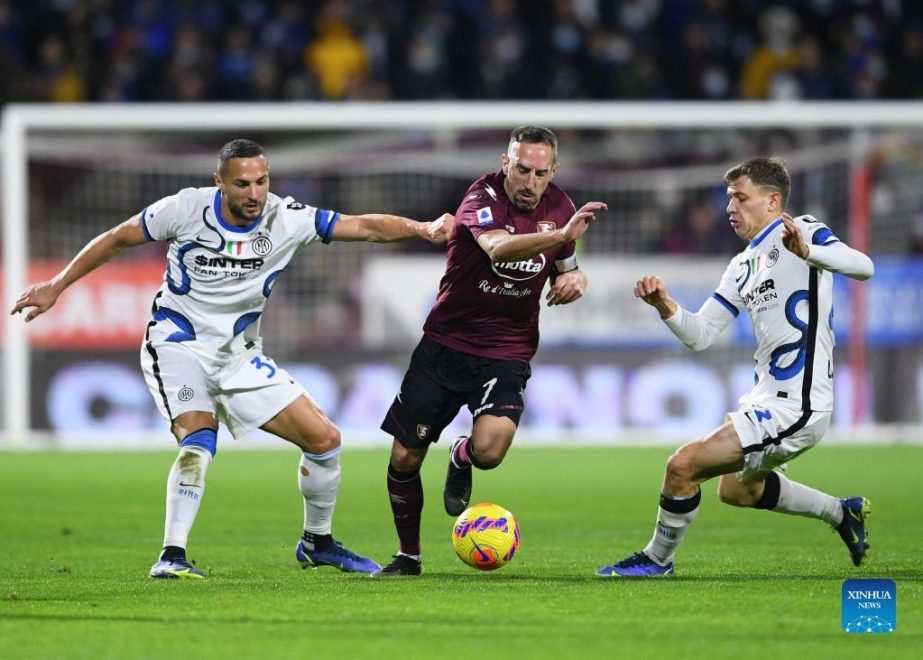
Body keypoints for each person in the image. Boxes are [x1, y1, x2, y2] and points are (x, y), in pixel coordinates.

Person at [10, 139, 452, 579]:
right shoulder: (184, 210)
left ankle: (316, 542)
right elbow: (119, 238)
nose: (254, 193)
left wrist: (422, 228)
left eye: (262, 181)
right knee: (200, 437)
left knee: (325, 440)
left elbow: (365, 227)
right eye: (242, 184)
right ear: (219, 182)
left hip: (238, 356)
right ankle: (172, 555)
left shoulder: (286, 218)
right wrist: (57, 285)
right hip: (178, 343)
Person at [597, 157, 874, 578]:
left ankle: (657, 560)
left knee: (682, 466)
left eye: (740, 198)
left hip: (798, 403)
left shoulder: (804, 230)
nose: (730, 208)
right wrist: (665, 307)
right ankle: (842, 513)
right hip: (765, 397)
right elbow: (702, 334)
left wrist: (810, 251)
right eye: (729, 199)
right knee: (738, 489)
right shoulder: (742, 265)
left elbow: (863, 266)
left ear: (772, 201)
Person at [372, 125, 607, 577]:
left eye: (540, 172)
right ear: (506, 164)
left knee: (491, 452)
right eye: (522, 169)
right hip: (446, 344)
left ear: (553, 170)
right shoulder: (480, 197)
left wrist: (575, 279)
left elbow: (567, 267)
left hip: (508, 348)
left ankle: (462, 455)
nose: (530, 181)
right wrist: (560, 234)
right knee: (404, 457)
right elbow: (498, 248)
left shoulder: (561, 207)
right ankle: (408, 556)